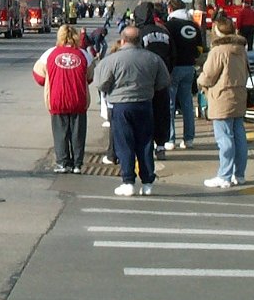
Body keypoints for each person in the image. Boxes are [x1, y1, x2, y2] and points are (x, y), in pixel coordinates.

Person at [94, 26, 170, 196]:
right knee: (145, 143)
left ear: (123, 40)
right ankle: (148, 182)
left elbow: (101, 84)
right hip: (145, 103)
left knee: (124, 144)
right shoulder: (153, 59)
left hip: (120, 105)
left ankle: (128, 181)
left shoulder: (111, 60)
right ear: (140, 40)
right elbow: (163, 82)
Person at [32, 24, 95, 174]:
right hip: (78, 99)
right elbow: (90, 77)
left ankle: (62, 162)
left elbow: (38, 76)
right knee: (78, 133)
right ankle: (77, 164)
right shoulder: (84, 54)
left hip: (57, 98)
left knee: (60, 132)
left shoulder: (49, 54)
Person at [197, 16, 249, 188]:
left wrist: (200, 81)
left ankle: (224, 175)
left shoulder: (218, 51)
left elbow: (208, 76)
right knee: (239, 136)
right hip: (239, 94)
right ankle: (239, 174)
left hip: (221, 97)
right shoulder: (241, 49)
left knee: (224, 137)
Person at [134, 1, 175, 159]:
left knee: (145, 113)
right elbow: (173, 54)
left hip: (144, 80)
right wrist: (168, 72)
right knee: (162, 112)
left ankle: (146, 145)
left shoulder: (139, 34)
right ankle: (161, 145)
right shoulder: (164, 31)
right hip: (163, 79)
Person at [165, 0, 202, 152]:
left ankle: (170, 139)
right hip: (189, 67)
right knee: (187, 104)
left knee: (170, 105)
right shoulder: (193, 26)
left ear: (170, 9)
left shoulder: (169, 26)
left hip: (174, 68)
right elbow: (200, 48)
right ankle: (189, 139)